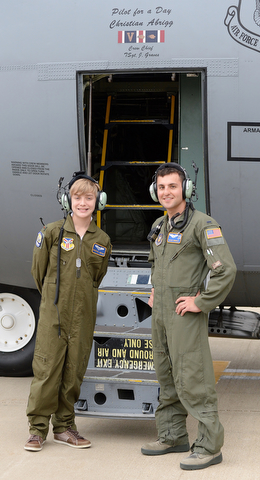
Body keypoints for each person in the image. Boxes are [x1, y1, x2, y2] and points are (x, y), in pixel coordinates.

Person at [141, 163, 236, 470]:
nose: (167, 192)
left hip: (184, 315)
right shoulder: (159, 225)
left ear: (186, 189)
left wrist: (201, 301)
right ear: (156, 191)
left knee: (193, 378)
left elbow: (225, 270)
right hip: (162, 313)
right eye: (162, 187)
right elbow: (156, 263)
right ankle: (172, 435)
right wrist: (155, 289)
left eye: (173, 186)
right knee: (166, 374)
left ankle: (209, 446)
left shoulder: (201, 224)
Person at [24, 172, 111, 451]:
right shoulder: (51, 232)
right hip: (54, 315)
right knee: (47, 370)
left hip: (83, 317)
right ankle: (37, 430)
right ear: (67, 200)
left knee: (73, 373)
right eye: (77, 197)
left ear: (98, 201)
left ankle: (64, 427)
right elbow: (38, 273)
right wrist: (54, 299)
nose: (83, 203)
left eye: (89, 197)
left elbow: (96, 278)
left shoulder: (102, 240)